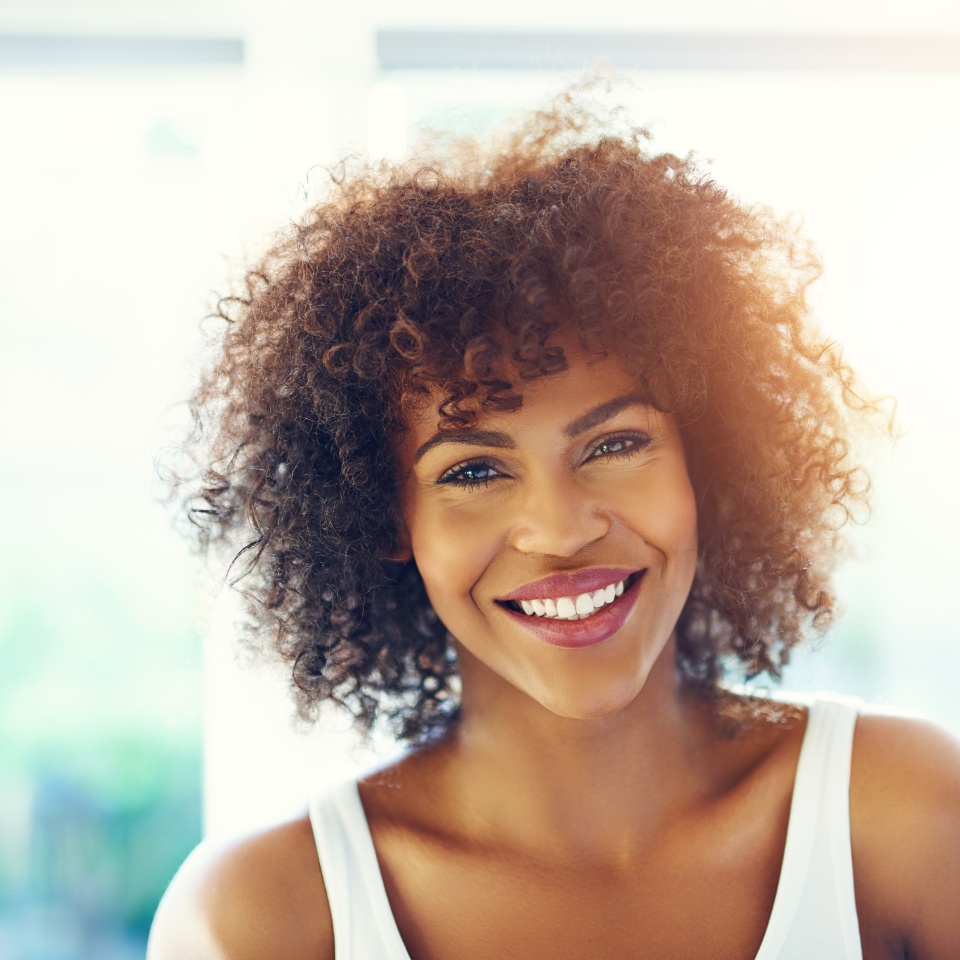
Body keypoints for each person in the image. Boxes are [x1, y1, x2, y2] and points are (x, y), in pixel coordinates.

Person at [148, 90, 960, 959]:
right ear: (386, 514)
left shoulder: (904, 815)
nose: (561, 529)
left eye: (614, 443)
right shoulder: (259, 917)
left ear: (707, 459)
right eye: (472, 470)